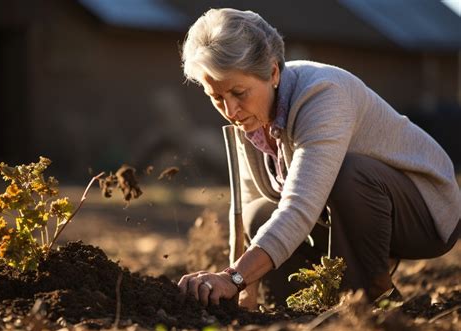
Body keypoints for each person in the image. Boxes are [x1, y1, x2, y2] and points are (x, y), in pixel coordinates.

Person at [177, 8, 461, 309]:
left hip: (423, 213)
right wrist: (245, 289)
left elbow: (300, 205)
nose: (231, 110)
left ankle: (372, 296)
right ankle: (300, 306)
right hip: (340, 212)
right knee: (259, 212)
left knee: (346, 174)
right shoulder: (252, 116)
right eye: (217, 97)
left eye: (239, 93)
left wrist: (233, 277)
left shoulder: (323, 95)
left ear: (273, 73)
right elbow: (247, 200)